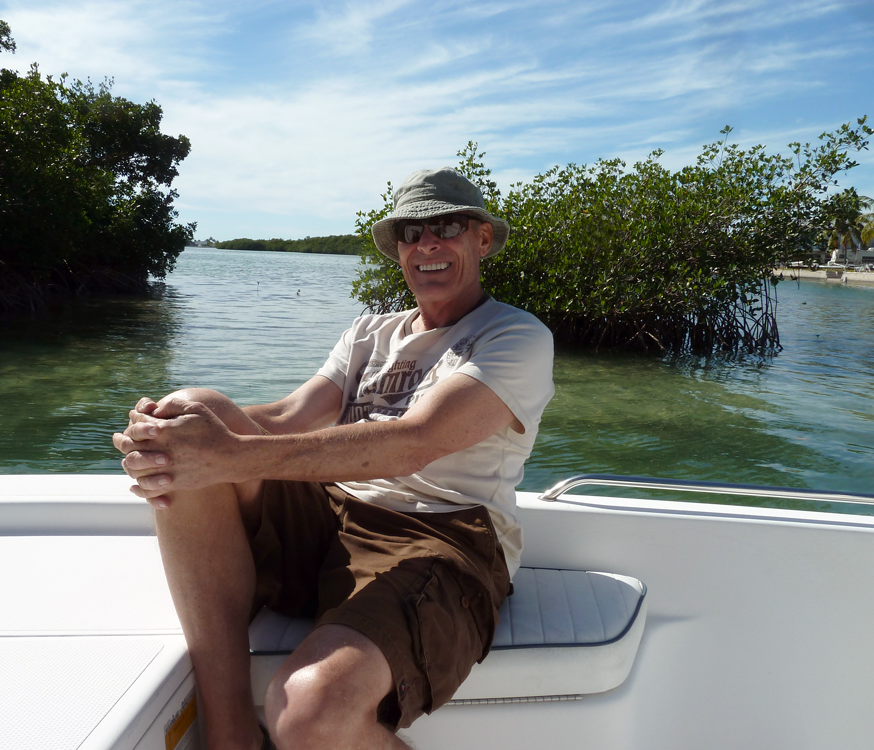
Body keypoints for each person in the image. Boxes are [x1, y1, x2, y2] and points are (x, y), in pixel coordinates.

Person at [113, 167, 555, 750]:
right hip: (332, 511)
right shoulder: (371, 332)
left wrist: (229, 455)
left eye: (446, 226)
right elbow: (288, 417)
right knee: (190, 409)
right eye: (410, 231)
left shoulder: (514, 336)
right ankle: (229, 732)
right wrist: (173, 435)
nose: (426, 243)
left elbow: (416, 441)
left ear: (481, 240)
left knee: (308, 713)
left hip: (439, 534)